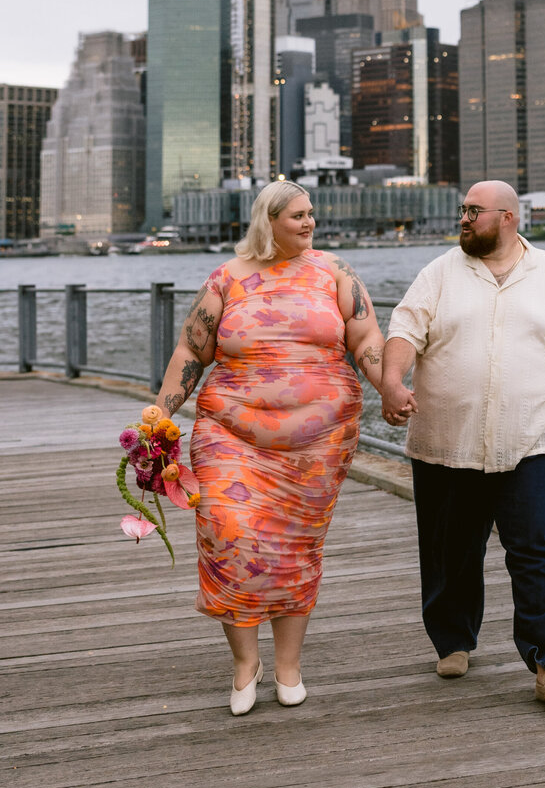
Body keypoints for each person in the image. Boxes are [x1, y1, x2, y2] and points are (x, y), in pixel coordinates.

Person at [151, 180, 386, 715]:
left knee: (296, 546)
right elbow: (191, 349)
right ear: (269, 220)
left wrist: (389, 387)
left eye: (311, 214)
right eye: (298, 215)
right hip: (229, 433)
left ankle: (288, 665)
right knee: (227, 531)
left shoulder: (335, 272)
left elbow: (366, 338)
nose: (310, 223)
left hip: (319, 441)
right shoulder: (227, 278)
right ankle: (244, 663)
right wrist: (159, 417)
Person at [379, 179, 545, 707]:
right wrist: (391, 381)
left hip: (534, 437)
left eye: (474, 211)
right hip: (447, 440)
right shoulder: (439, 274)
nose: (464, 218)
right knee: (451, 549)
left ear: (508, 217)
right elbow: (405, 329)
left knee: (538, 549)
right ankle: (453, 640)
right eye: (463, 209)